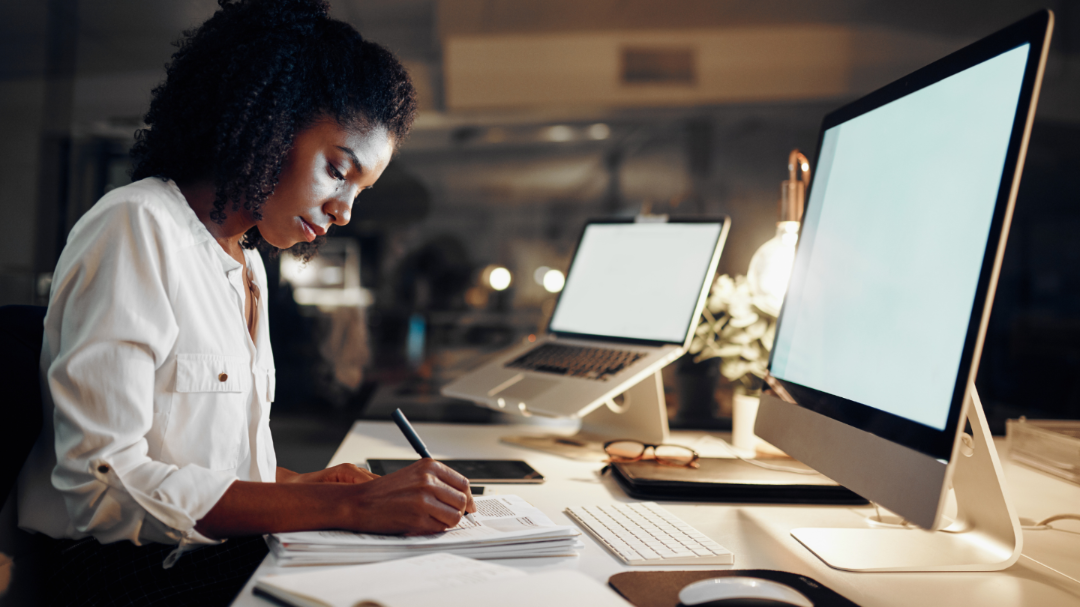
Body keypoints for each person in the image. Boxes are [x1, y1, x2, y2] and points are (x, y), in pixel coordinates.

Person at [16, 1, 475, 605]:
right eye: (339, 170)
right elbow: (106, 487)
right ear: (271, 123)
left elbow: (198, 463)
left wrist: (304, 483)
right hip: (109, 570)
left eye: (360, 191)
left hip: (194, 552)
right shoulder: (137, 224)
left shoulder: (247, 264)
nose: (345, 211)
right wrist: (346, 503)